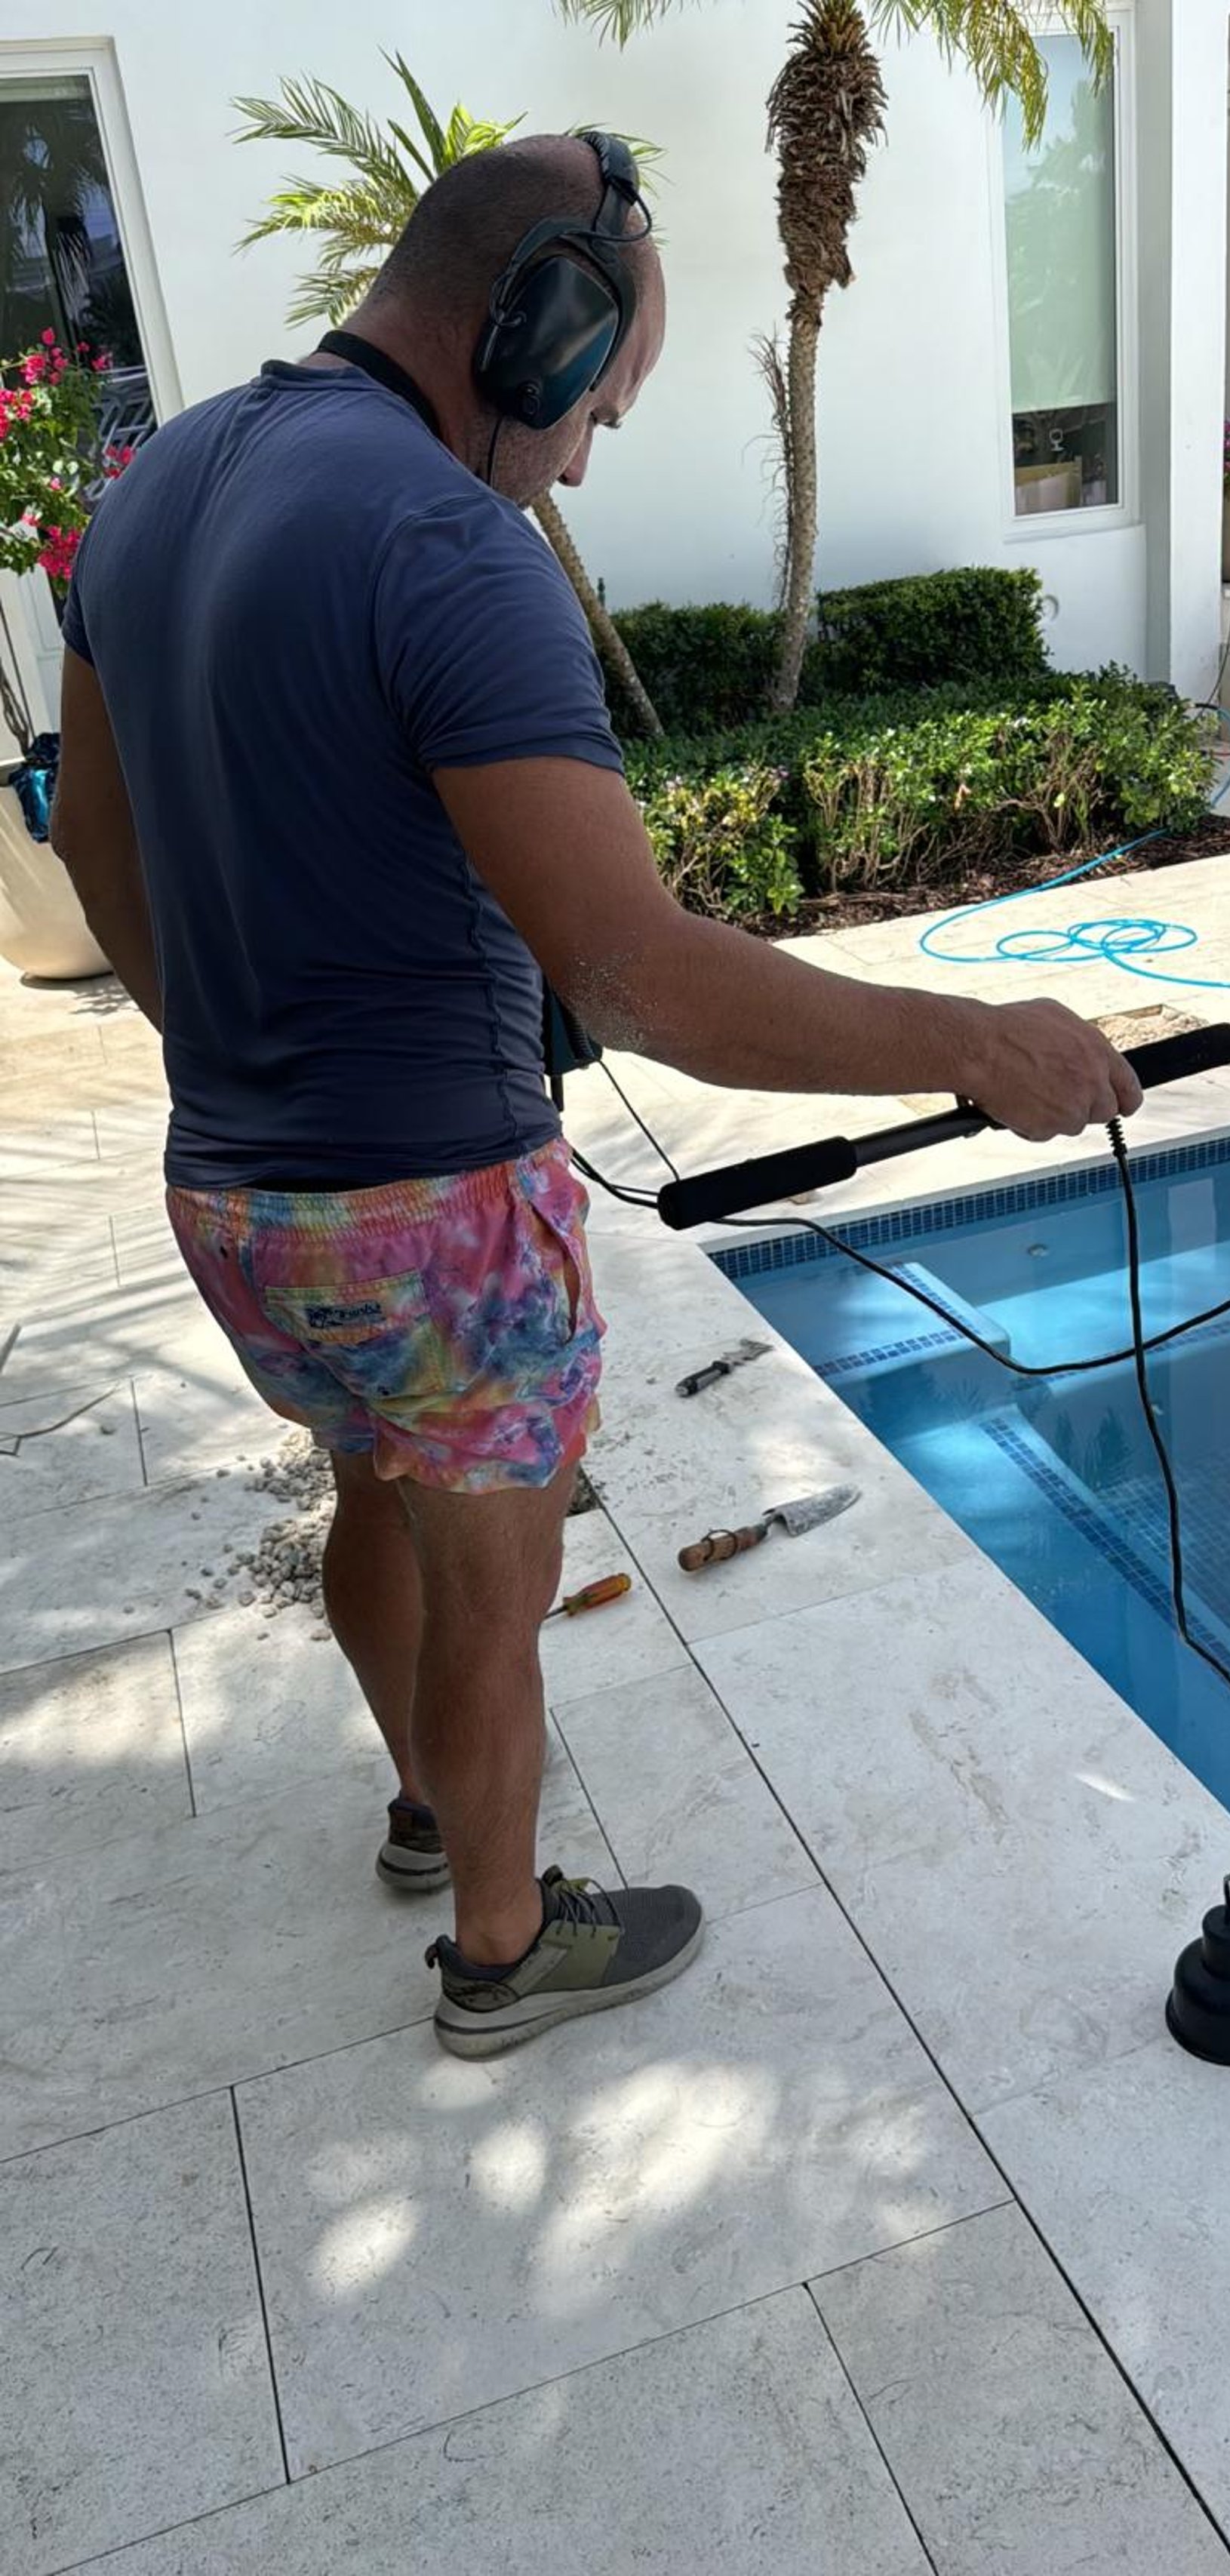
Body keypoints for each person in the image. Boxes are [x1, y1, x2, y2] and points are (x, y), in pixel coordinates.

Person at [51, 132, 1142, 2061]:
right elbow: (633, 975)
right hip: (439, 1214)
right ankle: (499, 1947)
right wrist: (973, 1042)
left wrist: (241, 1051)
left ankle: (420, 1805)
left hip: (228, 1189)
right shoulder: (448, 545)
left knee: (369, 1482)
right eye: (595, 411)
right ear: (536, 327)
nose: (578, 458)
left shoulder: (149, 496)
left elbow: (105, 856)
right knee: (497, 1573)